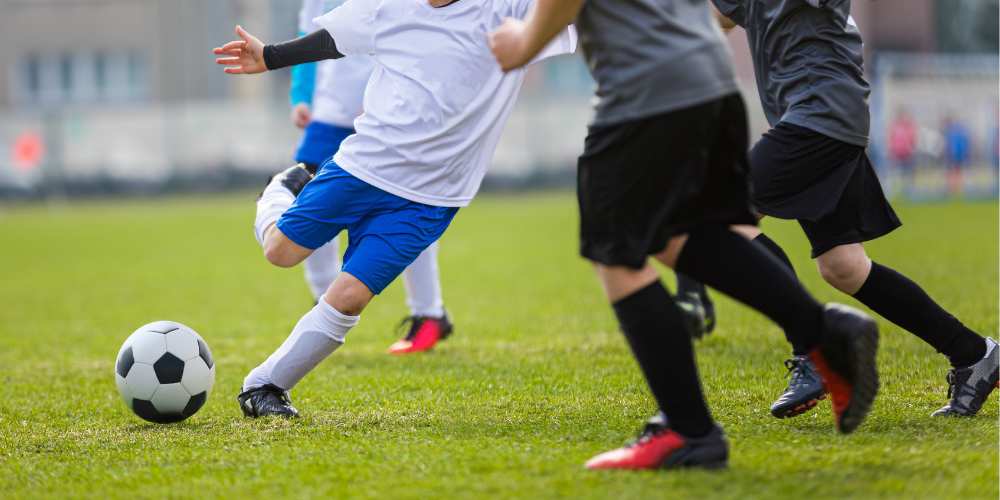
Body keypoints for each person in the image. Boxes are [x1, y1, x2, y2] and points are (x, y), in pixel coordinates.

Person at [489, 0, 880, 470]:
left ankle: (690, 430)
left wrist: (525, 41)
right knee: (679, 237)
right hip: (709, 81)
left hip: (649, 91)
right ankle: (828, 332)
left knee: (616, 254)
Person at [212, 0, 577, 418]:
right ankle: (279, 190)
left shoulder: (509, 6)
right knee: (281, 252)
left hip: (433, 198)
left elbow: (576, 15)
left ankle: (264, 386)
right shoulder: (385, 5)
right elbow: (335, 40)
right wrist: (271, 56)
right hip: (364, 166)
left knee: (348, 298)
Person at [688, 0, 997, 419]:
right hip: (816, 119)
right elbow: (713, 18)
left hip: (821, 115)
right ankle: (974, 353)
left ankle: (814, 349)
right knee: (844, 266)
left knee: (720, 213)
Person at [287, 0, 454, 355]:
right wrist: (301, 96)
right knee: (308, 206)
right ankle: (323, 301)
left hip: (391, 119)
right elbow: (310, 37)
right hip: (329, 117)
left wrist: (389, 98)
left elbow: (418, 39)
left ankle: (429, 313)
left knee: (410, 212)